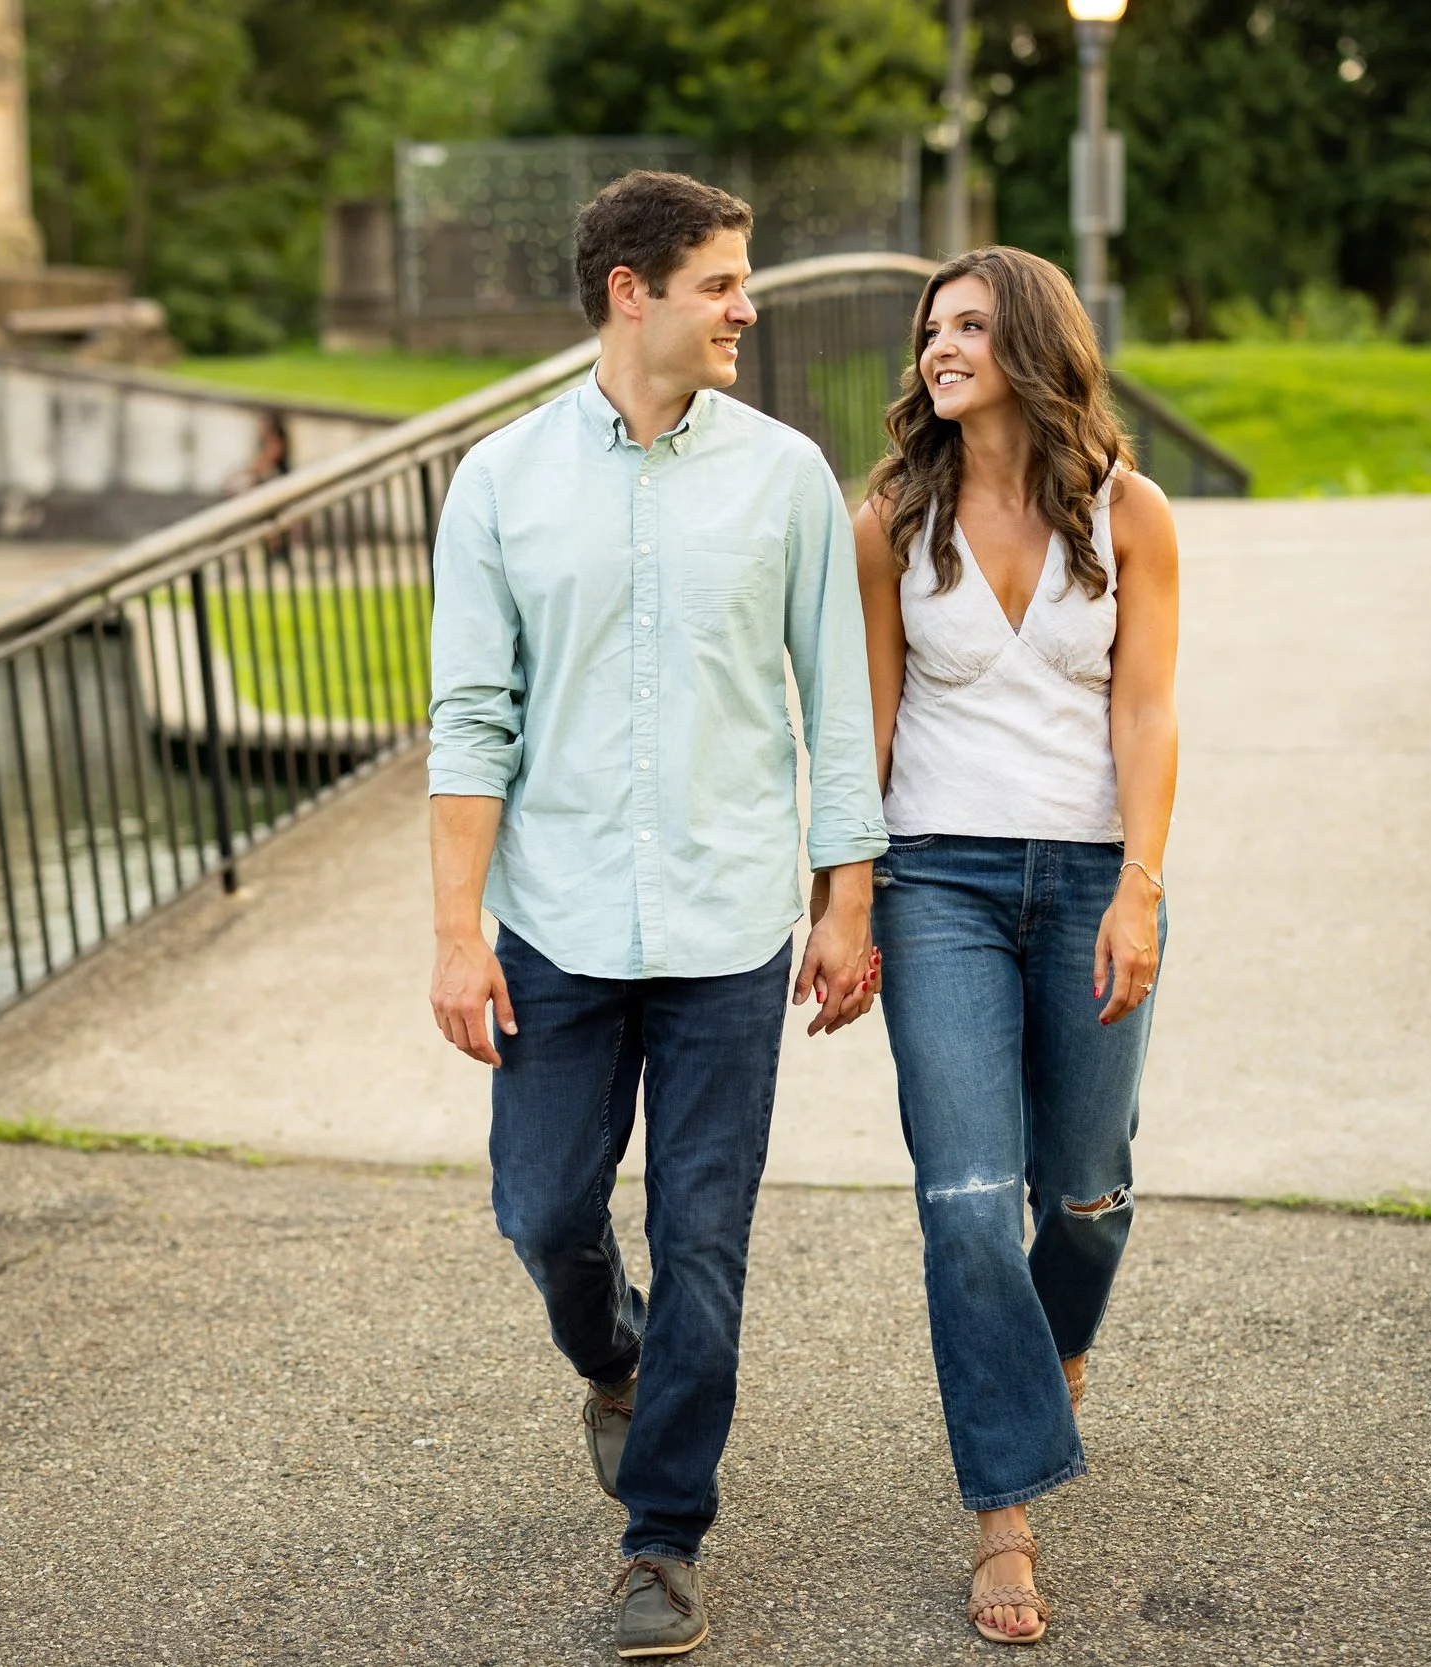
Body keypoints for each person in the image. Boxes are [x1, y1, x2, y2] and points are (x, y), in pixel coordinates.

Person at [425, 170, 887, 1659]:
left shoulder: (787, 477)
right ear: (634, 291)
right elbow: (470, 719)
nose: (749, 305)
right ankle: (611, 1358)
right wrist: (455, 929)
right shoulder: (498, 482)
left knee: (705, 1239)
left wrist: (844, 901)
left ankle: (663, 1538)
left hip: (727, 930)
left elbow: (838, 707)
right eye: (722, 282)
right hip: (553, 925)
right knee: (545, 1210)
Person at [852, 245, 1180, 1647]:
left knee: (1088, 1194)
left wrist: (1143, 886)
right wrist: (846, 897)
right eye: (933, 326)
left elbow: (1149, 715)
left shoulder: (1133, 513)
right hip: (939, 881)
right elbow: (865, 727)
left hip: (1095, 873)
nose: (942, 345)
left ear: (1034, 342)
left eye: (973, 325)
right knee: (971, 1198)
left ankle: (1049, 1353)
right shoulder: (888, 520)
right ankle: (1004, 1514)